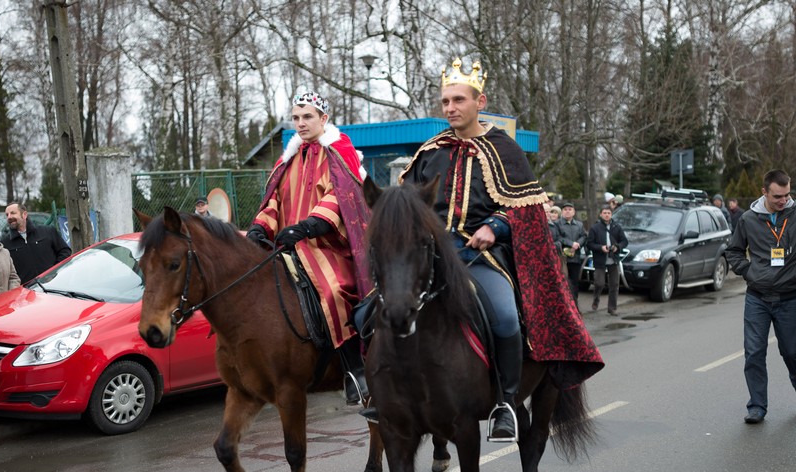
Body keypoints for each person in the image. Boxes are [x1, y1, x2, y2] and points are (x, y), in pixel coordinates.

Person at [399, 57, 604, 442]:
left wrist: (495, 226)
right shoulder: (429, 152)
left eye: (458, 99)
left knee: (507, 319)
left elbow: (528, 213)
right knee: (378, 305)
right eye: (445, 102)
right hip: (431, 257)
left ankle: (505, 403)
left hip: (482, 259)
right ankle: (378, 388)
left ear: (480, 100)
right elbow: (408, 207)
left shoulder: (504, 150)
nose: (450, 109)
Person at [248, 90, 372, 406]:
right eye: (296, 118)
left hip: (326, 245)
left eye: (308, 117)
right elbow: (274, 200)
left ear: (323, 119)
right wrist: (260, 227)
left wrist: (308, 226)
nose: (301, 123)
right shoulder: (287, 159)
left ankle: (355, 370)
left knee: (334, 290)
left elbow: (339, 197)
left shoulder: (340, 153)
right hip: (287, 246)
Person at [725, 169, 796, 425]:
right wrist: (749, 271)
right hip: (757, 297)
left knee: (791, 351)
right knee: (754, 352)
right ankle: (757, 406)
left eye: (787, 195)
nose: (783, 200)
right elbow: (733, 252)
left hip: (789, 297)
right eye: (777, 196)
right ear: (764, 192)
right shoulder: (748, 220)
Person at [2, 202, 71, 284]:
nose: (9, 217)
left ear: (24, 215)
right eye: (7, 215)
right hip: (27, 292)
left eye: (13, 213)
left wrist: (54, 272)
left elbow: (65, 251)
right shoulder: (5, 243)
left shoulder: (47, 232)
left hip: (53, 285)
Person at [587, 205, 628, 315]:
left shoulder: (616, 227)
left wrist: (617, 247)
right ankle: (596, 300)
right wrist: (600, 248)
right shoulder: (595, 228)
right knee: (599, 283)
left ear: (611, 214)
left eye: (608, 213)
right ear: (601, 214)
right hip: (600, 259)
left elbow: (624, 241)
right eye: (604, 213)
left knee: (614, 284)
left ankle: (612, 308)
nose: (606, 215)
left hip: (613, 259)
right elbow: (589, 244)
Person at [556, 202, 586, 309]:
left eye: (570, 209)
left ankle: (575, 306)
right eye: (565, 209)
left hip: (575, 258)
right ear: (562, 212)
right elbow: (558, 238)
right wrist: (570, 243)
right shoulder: (557, 224)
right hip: (563, 259)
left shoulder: (579, 224)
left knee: (575, 283)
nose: (567, 211)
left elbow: (584, 236)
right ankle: (565, 306)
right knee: (564, 282)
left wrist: (578, 244)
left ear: (574, 212)